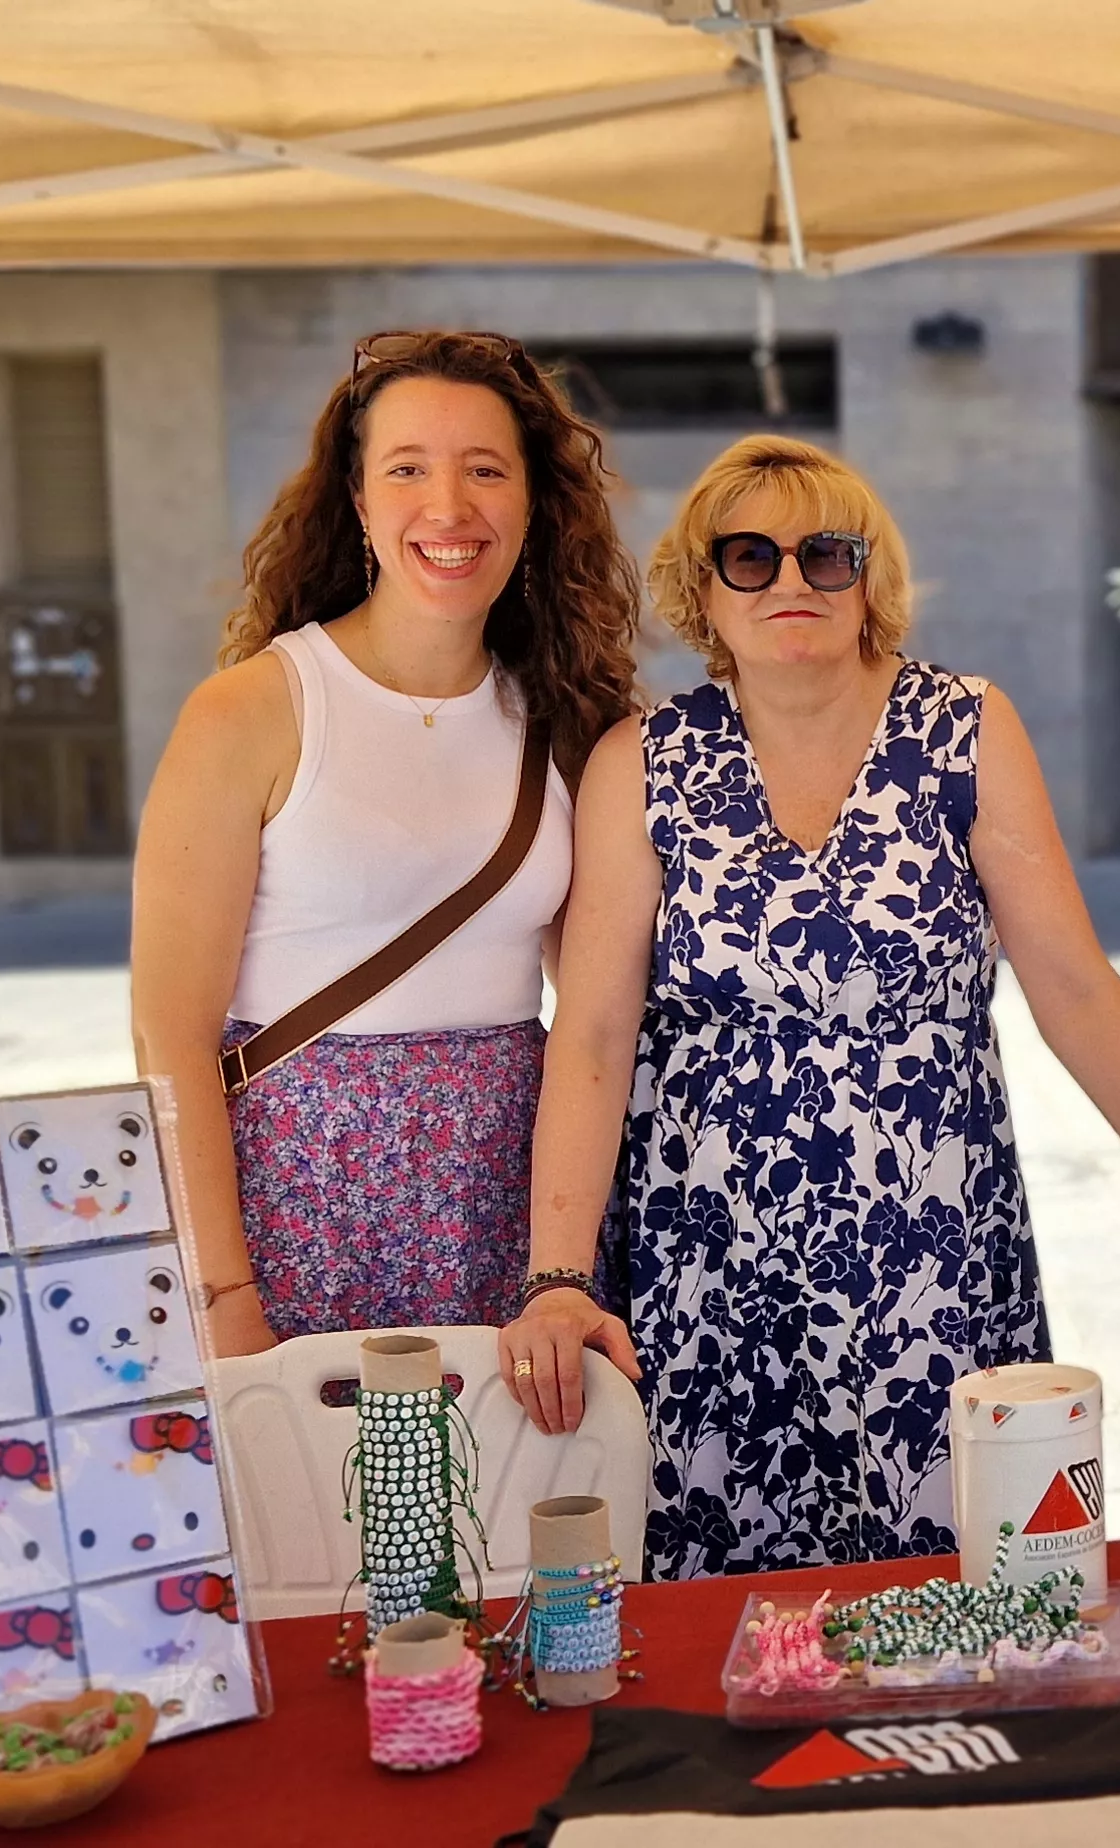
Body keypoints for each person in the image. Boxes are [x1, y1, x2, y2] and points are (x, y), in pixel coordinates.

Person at [503, 434, 1120, 1578]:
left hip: (931, 1264)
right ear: (700, 587)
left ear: (868, 579)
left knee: (969, 1597)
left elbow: (1071, 981)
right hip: (714, 1271)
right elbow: (590, 1031)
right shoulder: (645, 761)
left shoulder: (965, 729)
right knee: (737, 1623)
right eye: (748, 557)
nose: (788, 582)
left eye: (826, 554)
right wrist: (559, 1278)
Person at [132, 329, 642, 1360]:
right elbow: (168, 1037)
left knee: (497, 1517)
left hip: (506, 1216)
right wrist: (225, 1296)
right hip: (291, 1216)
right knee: (312, 1520)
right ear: (359, 503)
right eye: (407, 469)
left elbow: (591, 1021)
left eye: (484, 470)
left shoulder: (572, 721)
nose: (448, 508)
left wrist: (561, 1272)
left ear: (534, 503)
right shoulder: (253, 711)